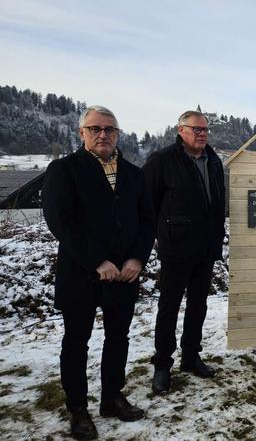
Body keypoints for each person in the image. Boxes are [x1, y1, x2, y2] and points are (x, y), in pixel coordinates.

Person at [42, 105, 154, 439]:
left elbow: (147, 219)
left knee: (119, 337)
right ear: (82, 134)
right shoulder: (64, 170)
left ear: (118, 134)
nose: (103, 135)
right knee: (76, 342)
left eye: (109, 129)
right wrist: (97, 261)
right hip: (82, 272)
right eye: (95, 129)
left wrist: (137, 259)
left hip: (125, 274)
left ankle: (112, 397)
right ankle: (78, 409)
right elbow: (61, 221)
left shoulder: (135, 174)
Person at [143, 110, 225, 394]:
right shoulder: (162, 160)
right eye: (196, 129)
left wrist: (217, 236)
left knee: (198, 305)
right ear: (181, 130)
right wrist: (161, 235)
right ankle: (162, 365)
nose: (202, 134)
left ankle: (191, 356)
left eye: (205, 130)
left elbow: (217, 201)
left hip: (205, 247)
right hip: (176, 247)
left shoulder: (213, 160)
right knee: (169, 307)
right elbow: (146, 204)